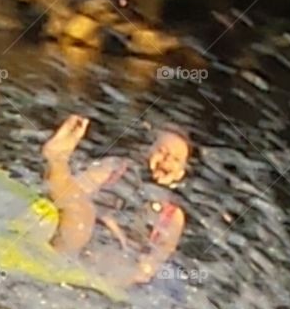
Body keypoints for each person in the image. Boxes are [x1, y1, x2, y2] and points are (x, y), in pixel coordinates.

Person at [40, 115, 190, 286]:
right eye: (162, 152)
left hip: (117, 257)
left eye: (176, 159)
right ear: (147, 151)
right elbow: (75, 191)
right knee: (78, 207)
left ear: (180, 173)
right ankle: (56, 159)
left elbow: (152, 263)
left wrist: (133, 274)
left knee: (119, 264)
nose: (167, 161)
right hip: (84, 231)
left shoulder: (173, 216)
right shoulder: (116, 168)